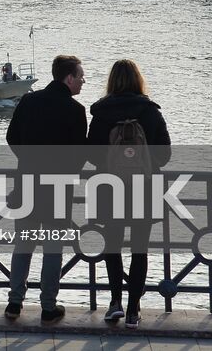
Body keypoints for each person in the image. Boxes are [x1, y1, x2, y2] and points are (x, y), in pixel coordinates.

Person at [86, 59, 171, 328]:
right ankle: (134, 310)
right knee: (139, 249)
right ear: (138, 79)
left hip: (110, 189)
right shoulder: (150, 112)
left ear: (111, 81)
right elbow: (164, 155)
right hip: (145, 189)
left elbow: (91, 153)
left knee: (112, 245)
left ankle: (115, 303)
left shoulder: (101, 113)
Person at [4, 54, 88, 325]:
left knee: (23, 245)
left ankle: (14, 303)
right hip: (57, 189)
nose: (83, 81)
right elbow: (79, 155)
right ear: (69, 78)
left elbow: (12, 138)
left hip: (26, 184)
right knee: (53, 248)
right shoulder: (75, 111)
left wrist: (28, 161)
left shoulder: (29, 101)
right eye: (81, 76)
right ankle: (48, 306)